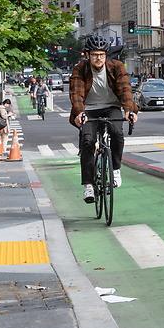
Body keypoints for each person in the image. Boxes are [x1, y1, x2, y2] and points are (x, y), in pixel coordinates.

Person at [69, 34, 139, 204]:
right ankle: (88, 185)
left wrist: (129, 110)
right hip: (89, 109)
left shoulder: (117, 67)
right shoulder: (81, 69)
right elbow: (76, 93)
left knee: (116, 132)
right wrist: (79, 112)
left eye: (101, 54)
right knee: (87, 141)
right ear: (88, 55)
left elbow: (125, 89)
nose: (98, 58)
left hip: (112, 107)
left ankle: (115, 169)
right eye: (94, 55)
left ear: (106, 55)